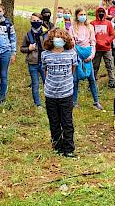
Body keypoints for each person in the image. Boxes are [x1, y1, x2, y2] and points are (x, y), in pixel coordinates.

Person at [41, 28, 78, 157]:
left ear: (65, 40)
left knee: (67, 122)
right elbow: (45, 70)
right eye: (55, 37)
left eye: (61, 37)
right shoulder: (45, 54)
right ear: (51, 39)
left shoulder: (71, 54)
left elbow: (73, 69)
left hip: (66, 93)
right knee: (54, 122)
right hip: (50, 93)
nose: (58, 40)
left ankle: (68, 149)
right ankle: (57, 146)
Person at [68, 7, 102, 109]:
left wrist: (91, 56)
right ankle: (74, 102)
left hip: (88, 55)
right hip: (76, 56)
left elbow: (93, 42)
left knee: (91, 79)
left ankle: (96, 101)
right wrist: (76, 56)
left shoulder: (90, 27)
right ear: (77, 16)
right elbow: (71, 43)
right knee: (75, 80)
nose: (83, 16)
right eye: (80, 15)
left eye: (84, 14)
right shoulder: (72, 28)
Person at [20, 13, 48, 108]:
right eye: (33, 21)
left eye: (38, 21)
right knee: (35, 84)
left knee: (47, 83)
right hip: (33, 63)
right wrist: (29, 48)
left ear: (41, 21)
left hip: (44, 63)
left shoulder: (46, 33)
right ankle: (38, 104)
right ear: (30, 21)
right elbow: (22, 48)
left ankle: (49, 102)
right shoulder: (28, 35)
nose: (36, 22)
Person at [91, 6, 115, 88]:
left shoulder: (108, 23)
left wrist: (107, 41)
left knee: (110, 65)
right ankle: (92, 82)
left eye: (102, 12)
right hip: (97, 48)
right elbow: (91, 35)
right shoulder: (93, 23)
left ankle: (112, 81)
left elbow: (112, 34)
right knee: (95, 66)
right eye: (99, 12)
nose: (101, 13)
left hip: (107, 48)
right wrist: (96, 42)